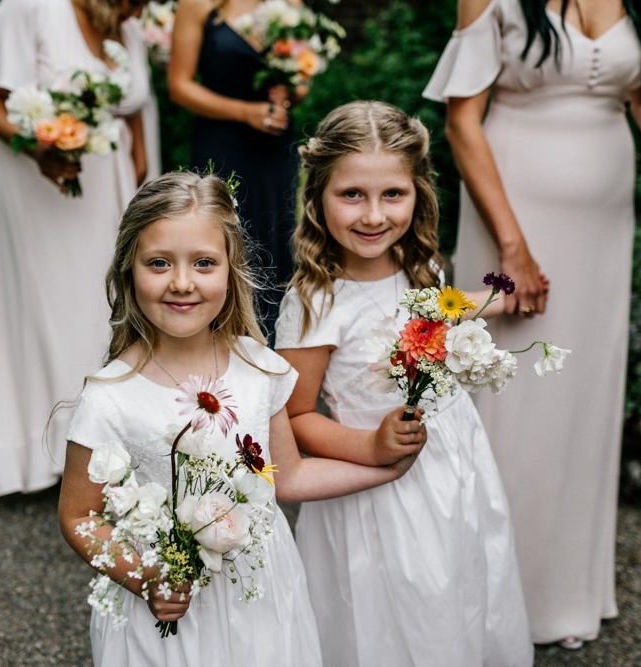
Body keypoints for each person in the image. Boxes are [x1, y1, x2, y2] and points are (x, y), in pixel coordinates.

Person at [57, 171, 426, 666]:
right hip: (166, 597)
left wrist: (380, 462)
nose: (182, 282)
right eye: (159, 263)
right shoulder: (111, 397)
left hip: (259, 589)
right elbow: (79, 515)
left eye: (204, 263)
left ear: (232, 271)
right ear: (128, 271)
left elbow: (288, 476)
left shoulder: (259, 368)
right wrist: (146, 575)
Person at [275, 101, 533, 666]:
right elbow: (295, 418)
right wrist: (370, 447)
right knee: (393, 613)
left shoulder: (423, 269)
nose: (373, 216)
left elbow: (432, 317)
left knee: (459, 589)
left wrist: (492, 301)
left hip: (454, 464)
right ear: (318, 195)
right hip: (374, 487)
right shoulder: (315, 300)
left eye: (393, 194)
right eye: (352, 195)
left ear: (418, 192)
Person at [423, 0, 641, 648]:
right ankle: (494, 596)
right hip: (515, 211)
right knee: (517, 393)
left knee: (583, 395)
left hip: (604, 222)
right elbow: (462, 121)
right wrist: (511, 247)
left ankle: (568, 592)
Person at [0, 0, 159, 496]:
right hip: (33, 181)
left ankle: (99, 446)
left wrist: (139, 168)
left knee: (99, 304)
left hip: (104, 185)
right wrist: (37, 150)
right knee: (43, 306)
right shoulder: (28, 9)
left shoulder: (127, 28)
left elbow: (131, 106)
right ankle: (39, 451)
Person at [168, 0, 301, 336]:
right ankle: (216, 338)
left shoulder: (290, 3)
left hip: (274, 146)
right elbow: (180, 85)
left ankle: (272, 345)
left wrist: (288, 95)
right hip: (222, 140)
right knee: (224, 236)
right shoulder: (197, 5)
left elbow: (300, 80)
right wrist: (245, 112)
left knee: (275, 239)